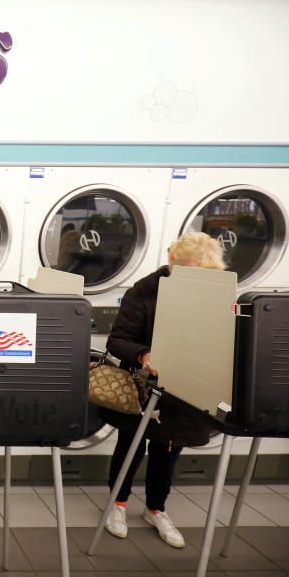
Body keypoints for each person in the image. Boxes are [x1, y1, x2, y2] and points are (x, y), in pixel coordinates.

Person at [102, 231, 226, 548]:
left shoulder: (214, 297)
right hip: (142, 386)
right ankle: (117, 504)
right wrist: (144, 354)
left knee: (169, 449)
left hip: (187, 386)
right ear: (173, 262)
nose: (196, 280)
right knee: (130, 446)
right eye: (190, 272)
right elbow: (117, 340)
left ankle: (156, 508)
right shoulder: (143, 293)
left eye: (203, 275)